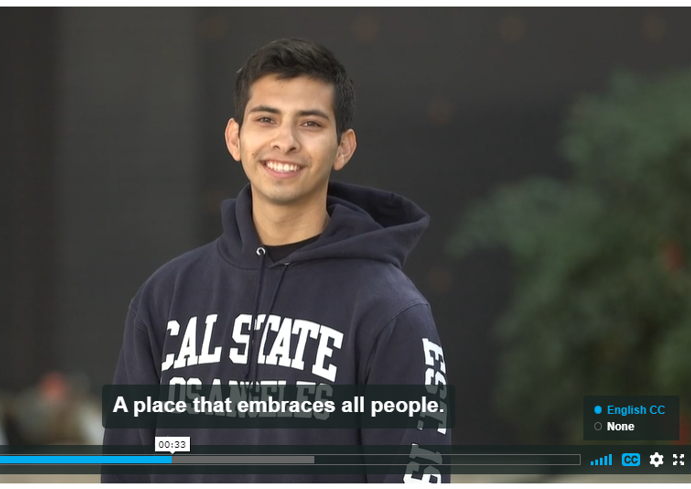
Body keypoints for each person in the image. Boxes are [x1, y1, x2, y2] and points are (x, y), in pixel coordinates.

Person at [102, 38, 450, 483]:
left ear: (343, 148)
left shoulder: (391, 311)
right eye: (266, 119)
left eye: (309, 123)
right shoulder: (165, 297)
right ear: (236, 137)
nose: (284, 142)